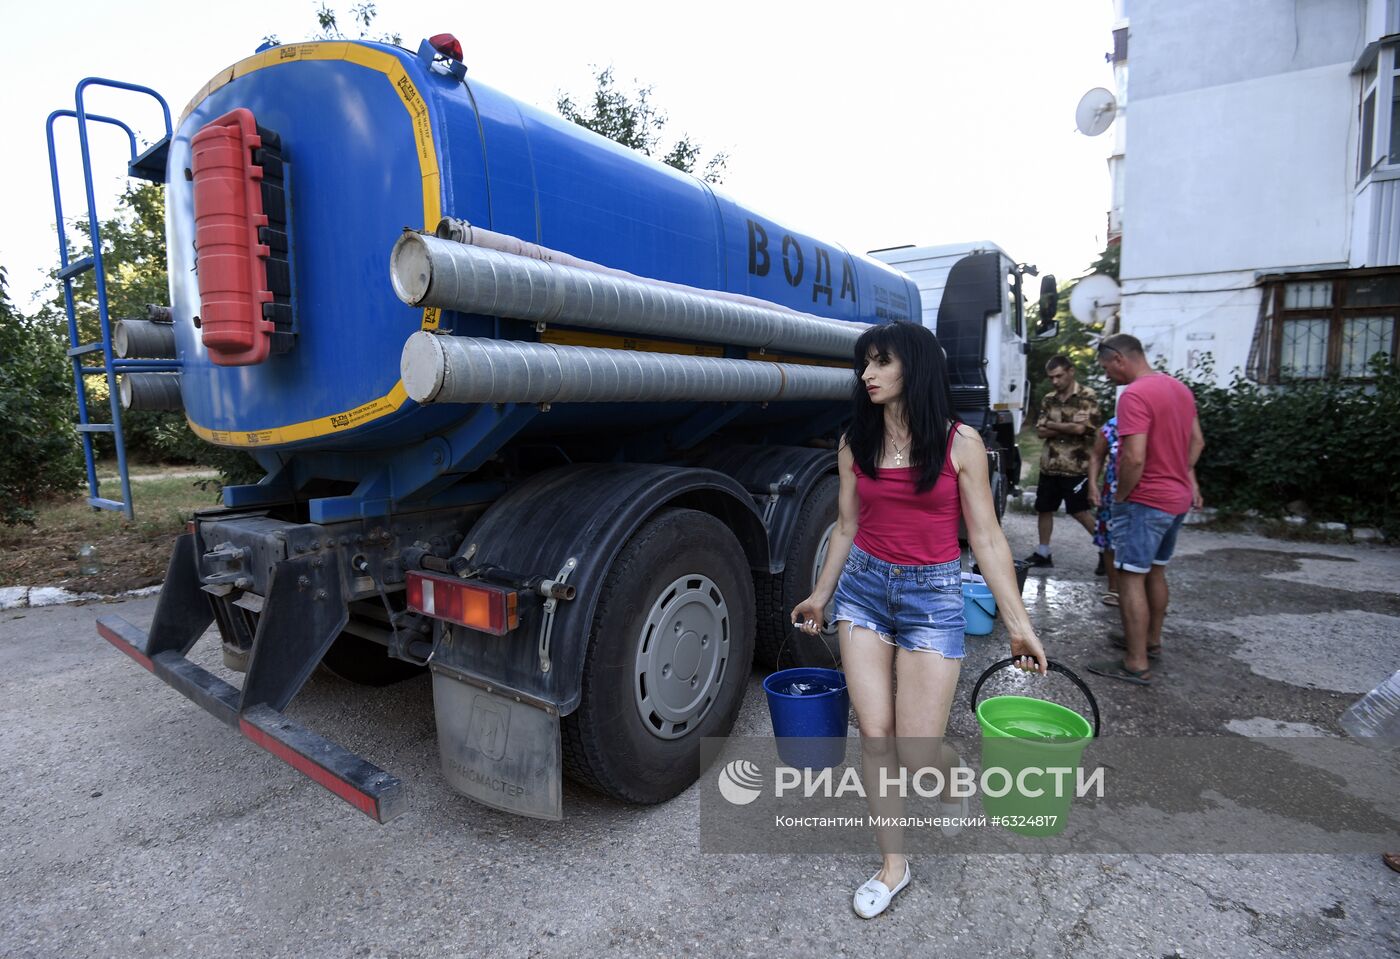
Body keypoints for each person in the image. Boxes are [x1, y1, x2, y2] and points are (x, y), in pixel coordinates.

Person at [790, 321, 1047, 920]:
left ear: (915, 367)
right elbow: (848, 528)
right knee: (876, 736)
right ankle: (893, 865)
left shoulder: (961, 444)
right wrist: (820, 595)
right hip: (864, 593)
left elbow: (985, 537)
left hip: (934, 597)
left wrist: (1018, 623)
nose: (867, 374)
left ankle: (953, 783)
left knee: (918, 750)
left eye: (880, 362)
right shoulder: (855, 441)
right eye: (865, 364)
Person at [1087, 334, 1204, 686]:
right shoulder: (1178, 389)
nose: (1108, 376)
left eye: (1107, 368)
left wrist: (1122, 496)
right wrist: (1179, 473)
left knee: (1130, 575)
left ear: (1120, 359)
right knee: (1155, 570)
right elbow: (1197, 441)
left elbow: (1134, 457)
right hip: (1176, 499)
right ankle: (1150, 640)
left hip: (1145, 501)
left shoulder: (1135, 394)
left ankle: (1135, 662)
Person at [1024, 355, 1100, 570]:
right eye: (1052, 378)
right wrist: (1069, 424)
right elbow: (1040, 431)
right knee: (1044, 509)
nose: (1055, 381)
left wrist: (1053, 424)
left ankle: (1106, 551)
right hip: (1051, 464)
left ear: (1070, 371)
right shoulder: (1049, 399)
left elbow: (1083, 429)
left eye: (1059, 376)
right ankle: (1043, 552)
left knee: (1080, 511)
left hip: (1076, 467)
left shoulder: (1087, 396)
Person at [1087, 416, 1121, 606]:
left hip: (1146, 496)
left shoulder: (1158, 423)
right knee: (1108, 542)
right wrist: (1093, 485)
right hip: (1112, 493)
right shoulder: (1112, 425)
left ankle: (1144, 593)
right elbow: (1097, 456)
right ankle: (1114, 588)